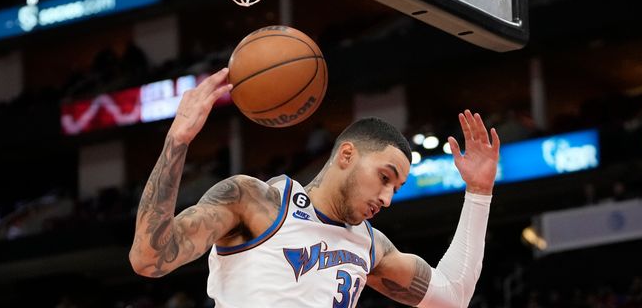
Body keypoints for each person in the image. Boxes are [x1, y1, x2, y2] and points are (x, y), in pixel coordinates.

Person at [129, 68, 500, 308]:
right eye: (384, 177)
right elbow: (149, 259)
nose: (387, 198)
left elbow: (453, 295)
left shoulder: (371, 246)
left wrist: (479, 192)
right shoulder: (256, 202)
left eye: (396, 189)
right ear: (347, 155)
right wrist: (177, 141)